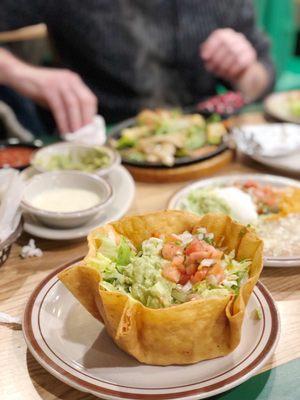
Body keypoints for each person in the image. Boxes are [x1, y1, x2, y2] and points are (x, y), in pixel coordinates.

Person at [0, 0, 275, 135]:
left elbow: (261, 77)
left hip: (205, 139)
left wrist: (243, 70)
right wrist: (23, 74)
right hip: (103, 143)